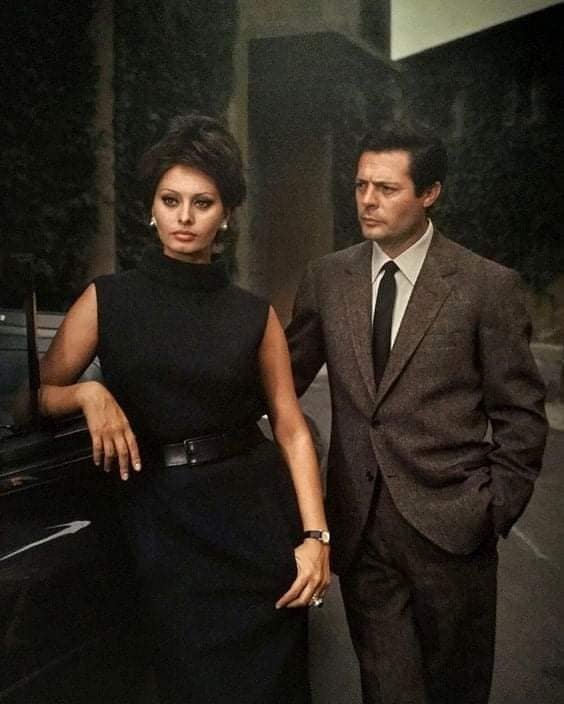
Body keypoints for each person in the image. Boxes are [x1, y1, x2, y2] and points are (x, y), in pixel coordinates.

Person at [39, 113, 330, 704]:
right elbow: (38, 395)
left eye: (203, 203)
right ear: (152, 208)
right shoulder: (108, 300)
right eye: (170, 201)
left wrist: (315, 537)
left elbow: (291, 427)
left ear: (226, 215)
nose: (185, 217)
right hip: (162, 527)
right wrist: (88, 393)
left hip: (255, 527)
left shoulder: (253, 313)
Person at [286, 122, 548, 704]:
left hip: (454, 532)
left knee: (456, 691)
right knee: (388, 691)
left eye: (386, 188)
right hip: (362, 530)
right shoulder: (327, 278)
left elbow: (521, 415)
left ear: (429, 193)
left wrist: (491, 509)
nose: (367, 201)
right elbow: (280, 384)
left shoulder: (486, 286)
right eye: (360, 186)